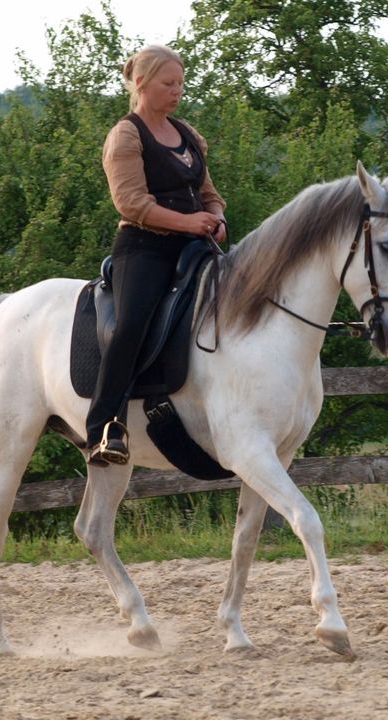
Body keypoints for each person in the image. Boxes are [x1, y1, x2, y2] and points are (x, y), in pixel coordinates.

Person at [86, 45, 227, 465]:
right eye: (168, 84)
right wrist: (190, 223)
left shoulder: (188, 135)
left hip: (196, 245)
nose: (177, 91)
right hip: (144, 248)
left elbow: (210, 195)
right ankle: (104, 428)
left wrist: (215, 217)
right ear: (142, 83)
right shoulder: (126, 134)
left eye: (181, 83)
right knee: (131, 324)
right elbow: (131, 203)